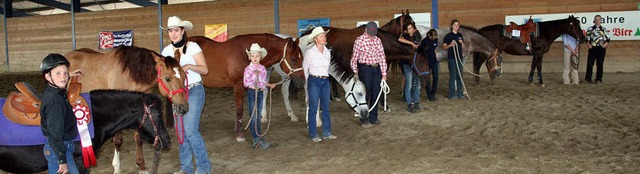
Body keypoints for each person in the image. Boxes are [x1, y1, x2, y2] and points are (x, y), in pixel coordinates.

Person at [160, 16, 211, 174]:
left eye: (176, 30)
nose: (173, 33)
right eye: (170, 31)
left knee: (190, 130)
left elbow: (205, 69)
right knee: (181, 130)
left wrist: (189, 65)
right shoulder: (166, 51)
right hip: (177, 93)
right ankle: (186, 167)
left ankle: (204, 168)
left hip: (194, 90)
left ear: (183, 31)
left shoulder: (193, 46)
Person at [40, 53, 82, 174]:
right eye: (58, 73)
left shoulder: (55, 90)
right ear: (48, 77)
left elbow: (61, 78)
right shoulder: (55, 102)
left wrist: (70, 75)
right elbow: (54, 133)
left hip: (63, 147)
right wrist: (61, 159)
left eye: (65, 72)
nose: (63, 77)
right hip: (58, 149)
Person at [303, 27, 337, 142]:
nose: (324, 38)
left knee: (326, 107)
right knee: (313, 107)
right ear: (316, 39)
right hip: (314, 81)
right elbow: (305, 69)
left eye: (324, 36)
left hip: (325, 80)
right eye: (321, 36)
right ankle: (313, 134)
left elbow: (327, 68)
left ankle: (327, 132)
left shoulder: (327, 52)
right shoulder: (310, 53)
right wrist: (309, 83)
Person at [351, 21, 387, 128]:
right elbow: (354, 58)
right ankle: (364, 119)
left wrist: (384, 73)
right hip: (365, 69)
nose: (372, 35)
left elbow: (382, 57)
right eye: (371, 32)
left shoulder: (378, 40)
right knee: (365, 94)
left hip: (377, 69)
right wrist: (355, 70)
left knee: (376, 94)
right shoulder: (359, 41)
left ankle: (374, 117)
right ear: (366, 29)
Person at [243, 43, 276, 148]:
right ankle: (256, 139)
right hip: (252, 92)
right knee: (253, 115)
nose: (255, 58)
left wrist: (268, 85)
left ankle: (258, 136)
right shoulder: (248, 69)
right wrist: (255, 81)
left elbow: (263, 81)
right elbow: (246, 83)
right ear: (249, 57)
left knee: (258, 115)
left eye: (257, 56)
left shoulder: (262, 68)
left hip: (260, 93)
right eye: (252, 56)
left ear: (260, 57)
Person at [397, 23, 422, 113]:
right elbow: (399, 39)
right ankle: (409, 103)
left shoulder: (416, 38)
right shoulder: (405, 36)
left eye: (411, 28)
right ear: (406, 30)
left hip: (415, 63)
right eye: (409, 28)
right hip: (406, 63)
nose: (411, 29)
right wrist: (411, 43)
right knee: (409, 84)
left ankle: (416, 101)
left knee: (417, 84)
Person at [442, 19, 465, 100]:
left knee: (460, 75)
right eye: (455, 25)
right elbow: (444, 47)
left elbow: (463, 47)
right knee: (453, 75)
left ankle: (459, 93)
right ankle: (451, 94)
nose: (456, 26)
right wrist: (450, 45)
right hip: (452, 58)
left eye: (458, 25)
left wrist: (461, 42)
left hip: (459, 58)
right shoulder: (448, 36)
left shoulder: (460, 35)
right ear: (452, 26)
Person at [584, 15, 610, 84]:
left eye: (599, 19)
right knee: (590, 64)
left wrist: (605, 45)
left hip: (601, 48)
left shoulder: (604, 29)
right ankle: (588, 79)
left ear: (601, 20)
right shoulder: (590, 29)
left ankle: (598, 78)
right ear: (594, 20)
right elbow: (586, 39)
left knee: (600, 63)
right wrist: (588, 45)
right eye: (596, 19)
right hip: (592, 48)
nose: (597, 21)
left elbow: (608, 39)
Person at [419, 29, 439, 101]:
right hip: (426, 61)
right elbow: (420, 51)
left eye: (434, 37)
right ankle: (429, 95)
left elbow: (434, 49)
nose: (433, 39)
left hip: (434, 60)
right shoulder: (424, 41)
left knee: (436, 77)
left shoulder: (436, 40)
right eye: (432, 37)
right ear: (428, 35)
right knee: (427, 78)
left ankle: (433, 93)